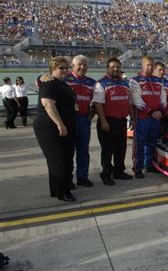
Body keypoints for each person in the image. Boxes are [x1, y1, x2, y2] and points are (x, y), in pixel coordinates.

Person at [34, 57, 77, 202]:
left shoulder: (62, 83)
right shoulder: (49, 83)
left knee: (65, 159)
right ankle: (63, 192)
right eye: (61, 68)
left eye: (66, 67)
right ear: (53, 69)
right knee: (58, 160)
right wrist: (60, 124)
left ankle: (59, 189)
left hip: (63, 127)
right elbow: (48, 105)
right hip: (50, 128)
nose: (65, 70)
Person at [92, 57, 133, 186]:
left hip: (121, 121)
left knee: (121, 148)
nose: (116, 69)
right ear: (107, 68)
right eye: (113, 67)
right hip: (108, 121)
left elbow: (129, 102)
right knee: (107, 150)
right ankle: (106, 174)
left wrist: (131, 118)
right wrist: (103, 121)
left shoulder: (125, 83)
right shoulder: (101, 83)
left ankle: (119, 171)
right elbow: (97, 104)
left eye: (118, 67)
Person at [130, 56, 166, 178]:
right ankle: (137, 168)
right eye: (148, 65)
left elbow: (163, 99)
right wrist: (151, 112)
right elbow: (137, 100)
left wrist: (160, 111)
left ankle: (149, 165)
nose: (150, 68)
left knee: (152, 143)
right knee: (139, 144)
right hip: (142, 118)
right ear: (142, 65)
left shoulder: (158, 81)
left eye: (152, 65)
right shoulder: (135, 80)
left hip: (155, 118)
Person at [65, 55, 96, 188]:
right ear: (73, 65)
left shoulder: (92, 82)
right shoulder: (64, 78)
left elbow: (96, 102)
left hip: (84, 120)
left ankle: (82, 177)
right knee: (68, 152)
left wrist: (89, 118)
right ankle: (67, 179)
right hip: (68, 120)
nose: (82, 67)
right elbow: (41, 83)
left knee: (83, 151)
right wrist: (42, 77)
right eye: (80, 64)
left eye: (85, 65)